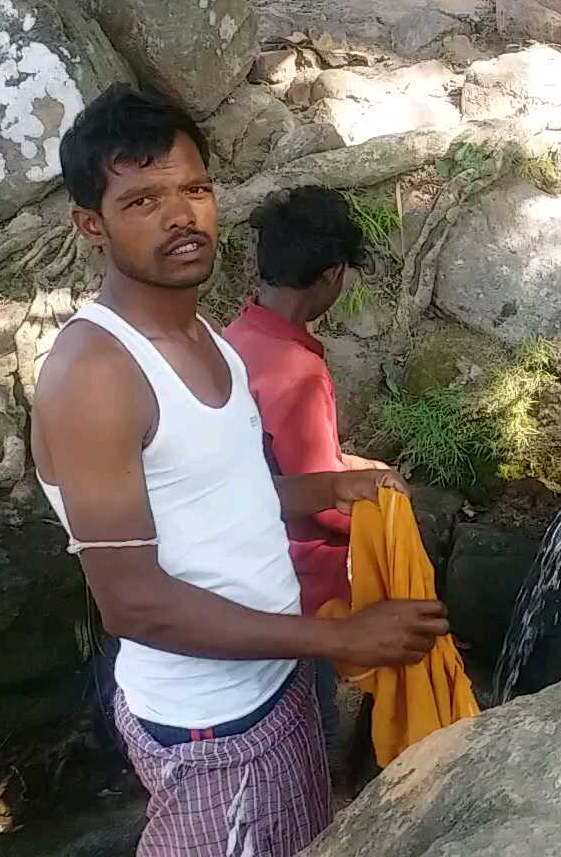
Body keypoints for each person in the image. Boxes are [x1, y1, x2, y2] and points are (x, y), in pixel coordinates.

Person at [30, 85, 448, 857]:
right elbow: (134, 605)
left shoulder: (206, 337)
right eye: (143, 200)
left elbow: (216, 497)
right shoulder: (95, 376)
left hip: (271, 689)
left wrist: (326, 488)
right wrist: (339, 637)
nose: (182, 215)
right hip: (211, 726)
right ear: (92, 225)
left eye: (194, 189)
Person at [222, 185, 388, 750]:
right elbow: (318, 502)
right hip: (296, 586)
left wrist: (354, 464)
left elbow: (272, 463)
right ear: (332, 274)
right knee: (307, 733)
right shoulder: (298, 371)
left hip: (239, 571)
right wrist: (386, 511)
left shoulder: (234, 341)